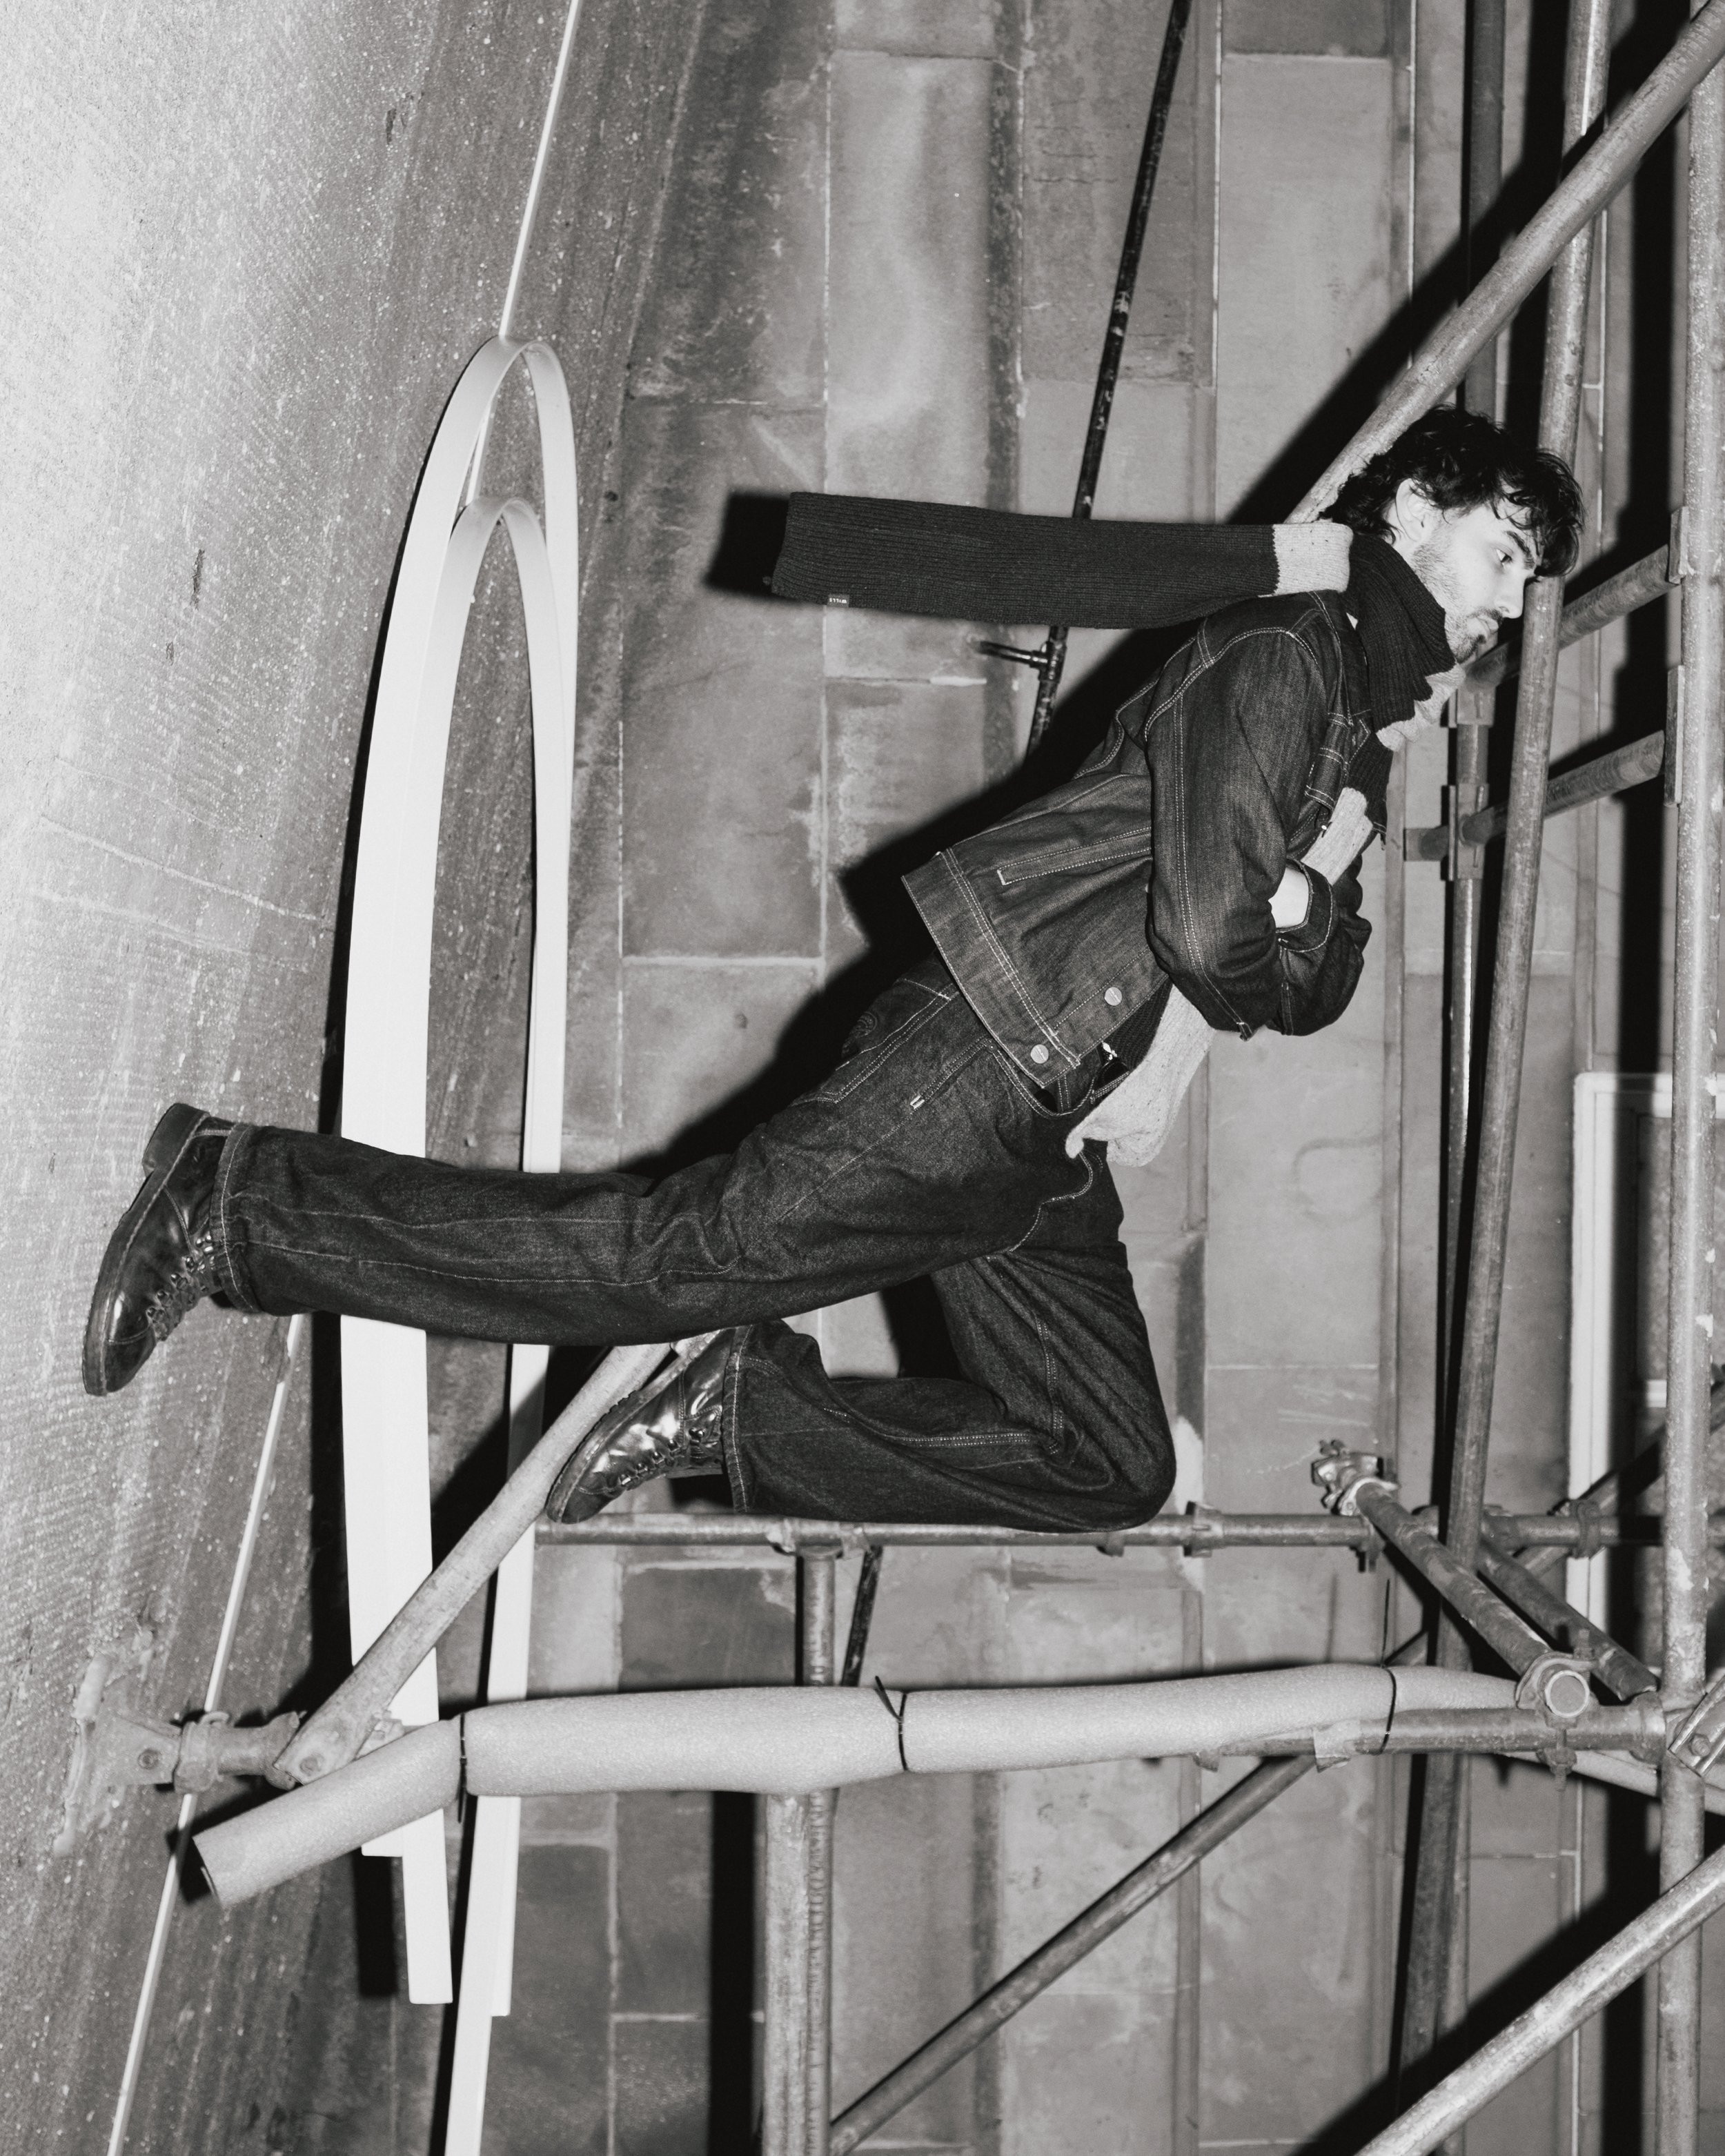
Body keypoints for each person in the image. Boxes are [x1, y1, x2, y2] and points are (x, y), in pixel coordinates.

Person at [83, 407, 1580, 1533]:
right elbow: (1218, 943)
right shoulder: (1293, 659)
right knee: (665, 1260)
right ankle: (237, 1205)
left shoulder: (1353, 748)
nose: (1507, 605)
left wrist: (1295, 914)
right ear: (1412, 505)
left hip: (1044, 1134)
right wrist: (1290, 918)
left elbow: (1313, 984)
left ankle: (742, 1404)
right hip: (986, 1056)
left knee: (1108, 1462)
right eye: (1505, 554)